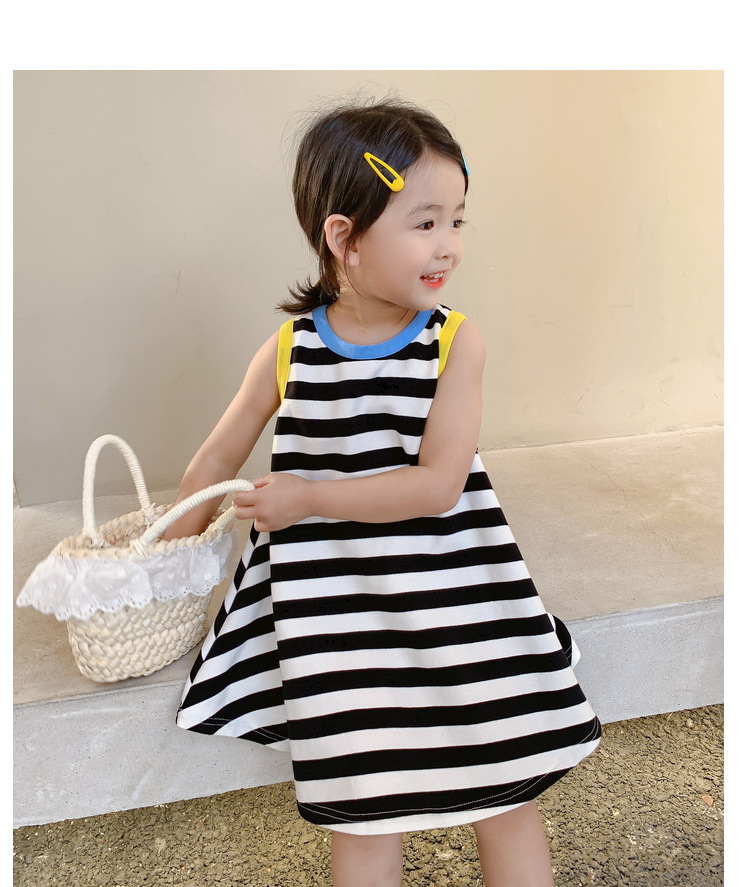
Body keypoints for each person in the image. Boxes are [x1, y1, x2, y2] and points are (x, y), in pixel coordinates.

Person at [165, 97, 601, 887]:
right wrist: (152, 562)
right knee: (363, 813)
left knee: (506, 794)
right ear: (346, 238)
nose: (450, 245)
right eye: (425, 223)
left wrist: (307, 497)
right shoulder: (291, 349)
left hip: (456, 601)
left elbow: (438, 485)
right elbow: (214, 461)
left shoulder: (454, 342)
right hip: (339, 624)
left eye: (457, 220)